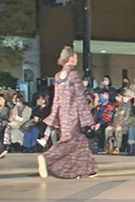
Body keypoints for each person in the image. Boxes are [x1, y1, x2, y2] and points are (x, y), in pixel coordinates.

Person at [38, 46, 96, 179]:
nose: (77, 59)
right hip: (74, 115)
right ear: (70, 58)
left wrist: (54, 117)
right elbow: (80, 98)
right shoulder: (73, 75)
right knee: (69, 142)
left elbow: (56, 100)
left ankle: (87, 169)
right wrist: (87, 120)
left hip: (63, 115)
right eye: (75, 57)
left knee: (80, 142)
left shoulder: (58, 77)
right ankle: (47, 157)